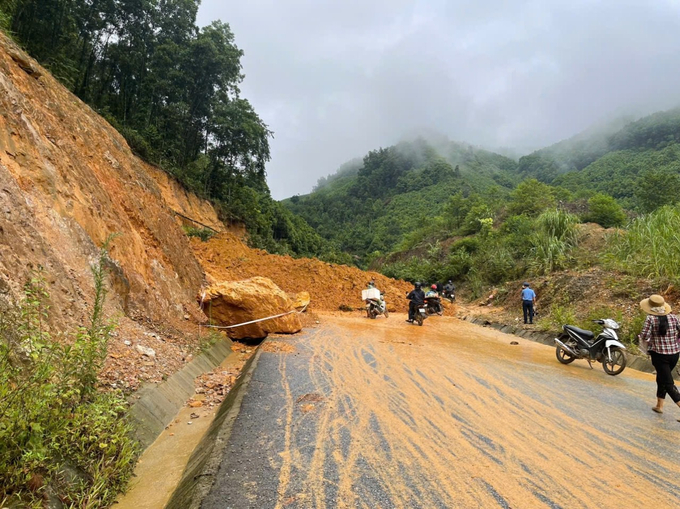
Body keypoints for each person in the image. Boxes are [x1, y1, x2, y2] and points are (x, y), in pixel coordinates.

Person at [638, 294, 680, 419]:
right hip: (675, 354)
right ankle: (659, 405)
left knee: (668, 383)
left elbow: (644, 336)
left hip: (660, 355)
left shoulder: (650, 319)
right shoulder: (674, 317)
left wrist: (650, 341)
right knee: (661, 378)